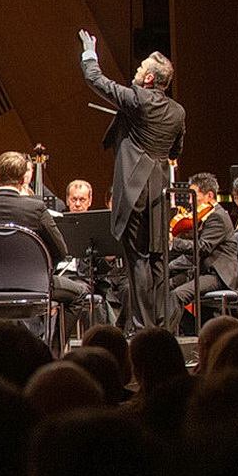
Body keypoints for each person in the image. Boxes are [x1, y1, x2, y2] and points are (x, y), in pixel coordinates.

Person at [80, 29, 186, 331]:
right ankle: (161, 325)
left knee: (138, 259)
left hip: (135, 189)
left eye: (140, 69)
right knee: (158, 259)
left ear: (149, 78)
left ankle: (142, 327)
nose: (136, 72)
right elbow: (175, 151)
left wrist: (89, 53)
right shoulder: (177, 112)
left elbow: (96, 80)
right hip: (159, 190)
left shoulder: (138, 99)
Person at [0, 151, 86, 340]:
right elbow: (61, 251)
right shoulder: (36, 208)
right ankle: (51, 350)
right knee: (79, 295)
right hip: (32, 285)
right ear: (23, 179)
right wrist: (39, 271)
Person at [166, 173, 238, 332]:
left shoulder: (217, 217)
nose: (190, 201)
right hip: (201, 271)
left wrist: (174, 241)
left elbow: (203, 247)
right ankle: (195, 330)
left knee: (177, 295)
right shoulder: (204, 216)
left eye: (194, 196)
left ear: (209, 196)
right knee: (163, 289)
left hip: (218, 275)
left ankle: (167, 336)